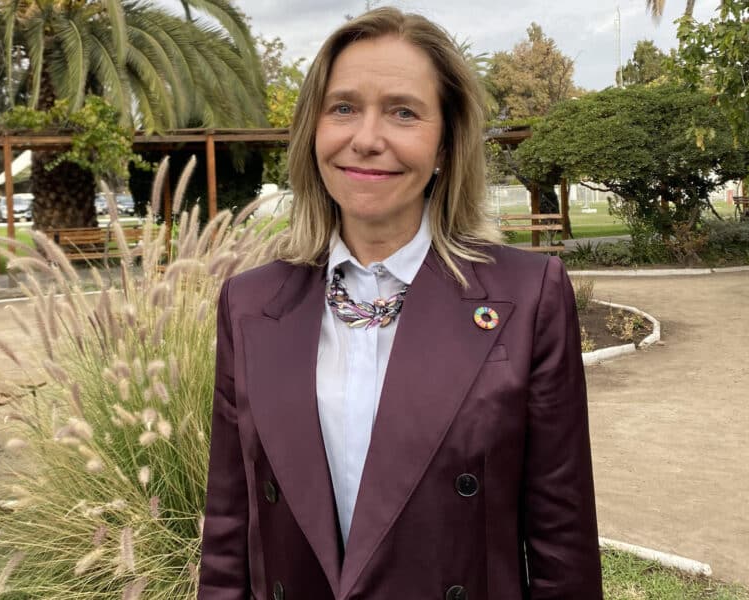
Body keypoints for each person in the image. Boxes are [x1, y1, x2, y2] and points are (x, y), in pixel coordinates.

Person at [198, 7, 602, 600]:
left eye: (403, 112)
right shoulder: (251, 303)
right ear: (314, 132)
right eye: (342, 108)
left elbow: (561, 545)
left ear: (445, 143)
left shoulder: (528, 296)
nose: (365, 139)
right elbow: (230, 534)